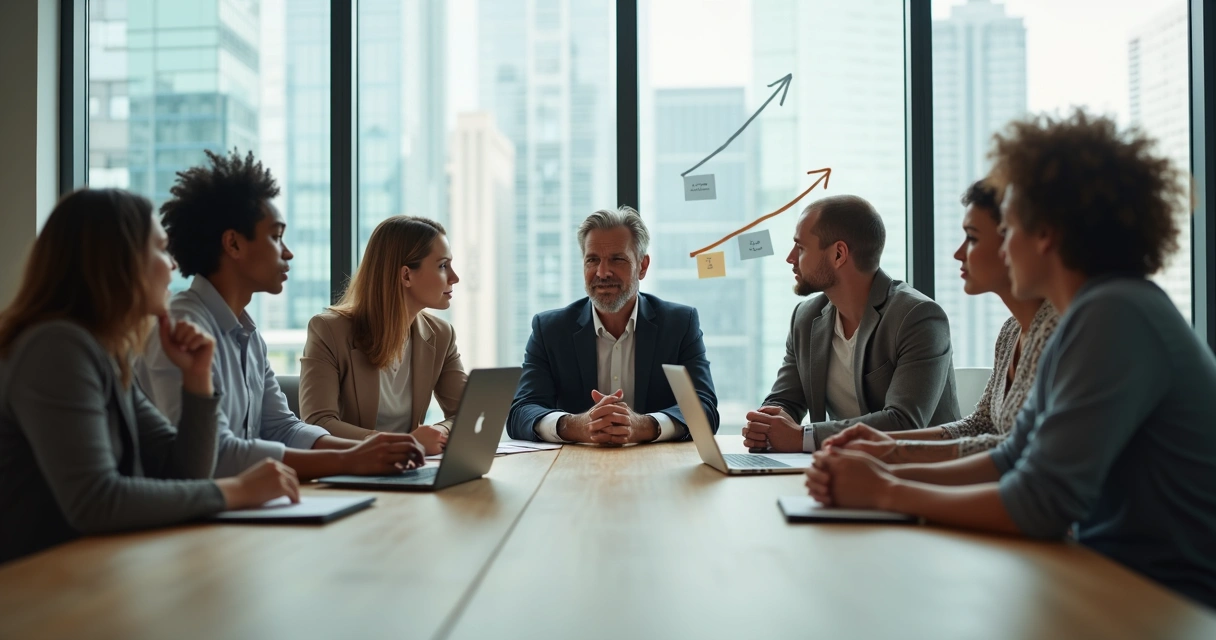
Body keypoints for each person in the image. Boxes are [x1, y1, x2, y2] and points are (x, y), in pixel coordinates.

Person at [807, 110, 1216, 609]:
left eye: (1012, 226)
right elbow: (1010, 458)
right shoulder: (1095, 313)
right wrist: (883, 469)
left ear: (1045, 233)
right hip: (1111, 578)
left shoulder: (1114, 314)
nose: (1004, 247)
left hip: (1166, 600)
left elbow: (1039, 502)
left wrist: (886, 491)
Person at [0, 189, 299, 563]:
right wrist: (236, 490)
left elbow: (185, 473)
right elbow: (96, 501)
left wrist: (197, 378)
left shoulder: (105, 355)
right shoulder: (56, 347)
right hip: (30, 583)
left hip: (81, 571)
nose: (172, 265)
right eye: (160, 249)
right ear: (118, 261)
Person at [136, 150, 425, 479]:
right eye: (275, 237)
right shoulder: (182, 329)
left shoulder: (248, 335)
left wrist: (374, 449)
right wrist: (349, 460)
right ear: (233, 244)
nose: (288, 253)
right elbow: (214, 456)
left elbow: (283, 428)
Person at [826, 182, 1059, 463]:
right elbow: (980, 425)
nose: (958, 253)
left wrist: (894, 462)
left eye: (972, 238)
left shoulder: (1056, 331)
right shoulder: (1011, 331)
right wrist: (883, 443)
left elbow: (1017, 451)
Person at [742, 195, 959, 453]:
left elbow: (904, 422)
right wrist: (767, 424)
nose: (790, 258)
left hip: (917, 469)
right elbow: (786, 399)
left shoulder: (918, 317)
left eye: (800, 247)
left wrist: (803, 437)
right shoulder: (806, 317)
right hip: (843, 466)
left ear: (838, 254)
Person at [507, 206, 718, 444]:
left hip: (659, 463)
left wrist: (645, 426)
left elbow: (705, 408)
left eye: (617, 259)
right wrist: (576, 426)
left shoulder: (679, 325)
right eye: (592, 260)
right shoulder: (550, 330)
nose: (602, 272)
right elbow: (521, 412)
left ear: (642, 266)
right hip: (574, 464)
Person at [300, 216, 466, 455]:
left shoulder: (441, 335)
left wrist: (438, 431)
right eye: (442, 266)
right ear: (406, 275)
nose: (454, 277)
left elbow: (466, 413)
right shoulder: (329, 331)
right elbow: (318, 423)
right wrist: (404, 443)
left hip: (409, 467)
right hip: (351, 468)